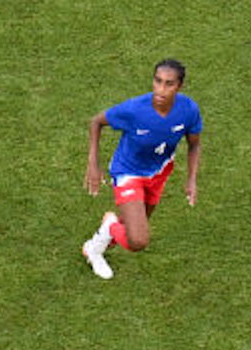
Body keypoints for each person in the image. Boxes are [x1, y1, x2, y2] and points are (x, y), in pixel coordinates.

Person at [81, 60, 203, 280]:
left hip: (159, 172)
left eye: (169, 84)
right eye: (157, 81)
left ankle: (93, 248)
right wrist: (93, 163)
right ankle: (109, 225)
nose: (161, 90)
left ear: (180, 86)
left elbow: (194, 144)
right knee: (138, 240)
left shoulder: (188, 110)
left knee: (130, 228)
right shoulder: (134, 110)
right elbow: (96, 122)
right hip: (128, 173)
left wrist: (192, 179)